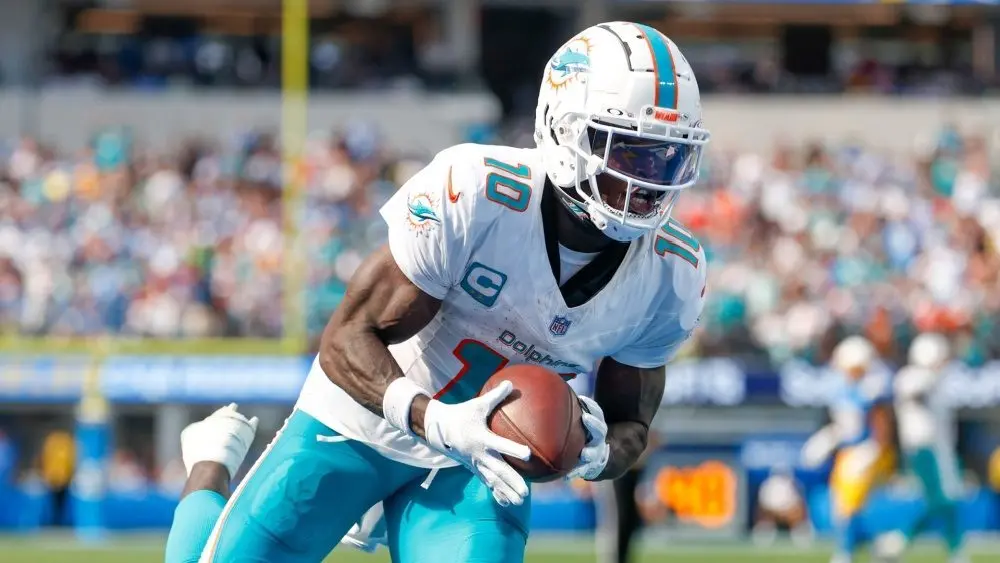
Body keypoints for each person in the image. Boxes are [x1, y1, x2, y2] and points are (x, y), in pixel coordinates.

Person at [165, 20, 710, 563]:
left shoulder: (672, 272)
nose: (650, 182)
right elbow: (347, 337)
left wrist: (598, 451)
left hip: (479, 464)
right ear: (563, 132)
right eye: (630, 152)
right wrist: (434, 419)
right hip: (363, 416)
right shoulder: (479, 192)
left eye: (668, 156)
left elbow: (631, 423)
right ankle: (211, 463)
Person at [801, 336, 896, 563]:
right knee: (843, 508)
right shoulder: (840, 388)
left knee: (847, 506)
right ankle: (880, 549)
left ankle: (846, 553)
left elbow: (881, 423)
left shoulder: (871, 388)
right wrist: (828, 439)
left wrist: (874, 448)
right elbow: (843, 425)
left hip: (866, 451)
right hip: (847, 452)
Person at [875, 334, 968, 563]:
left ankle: (953, 550)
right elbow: (914, 390)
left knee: (948, 501)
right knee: (940, 501)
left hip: (940, 448)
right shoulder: (912, 377)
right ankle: (897, 540)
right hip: (924, 449)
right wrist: (933, 372)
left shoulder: (939, 379)